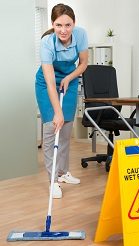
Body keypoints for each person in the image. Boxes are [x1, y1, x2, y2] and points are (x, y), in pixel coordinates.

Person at [35, 3, 88, 199]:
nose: (63, 30)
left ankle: (63, 172)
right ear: (52, 24)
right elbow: (50, 82)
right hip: (46, 83)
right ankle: (53, 181)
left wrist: (68, 77)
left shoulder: (81, 35)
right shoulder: (47, 43)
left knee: (65, 130)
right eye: (58, 25)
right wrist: (57, 111)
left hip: (70, 79)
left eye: (68, 25)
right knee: (52, 129)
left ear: (74, 24)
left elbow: (83, 64)